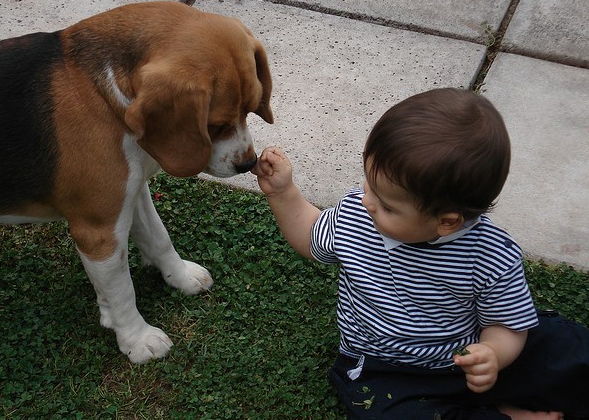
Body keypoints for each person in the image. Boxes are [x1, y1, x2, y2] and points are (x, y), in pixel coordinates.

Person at [252, 88, 589, 420]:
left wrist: (492, 355)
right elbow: (312, 236)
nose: (367, 201)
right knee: (387, 409)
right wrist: (283, 194)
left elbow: (506, 325)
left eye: (386, 204)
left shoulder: (490, 255)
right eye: (368, 182)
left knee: (569, 351)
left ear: (445, 222)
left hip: (465, 354)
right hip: (386, 367)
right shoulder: (355, 216)